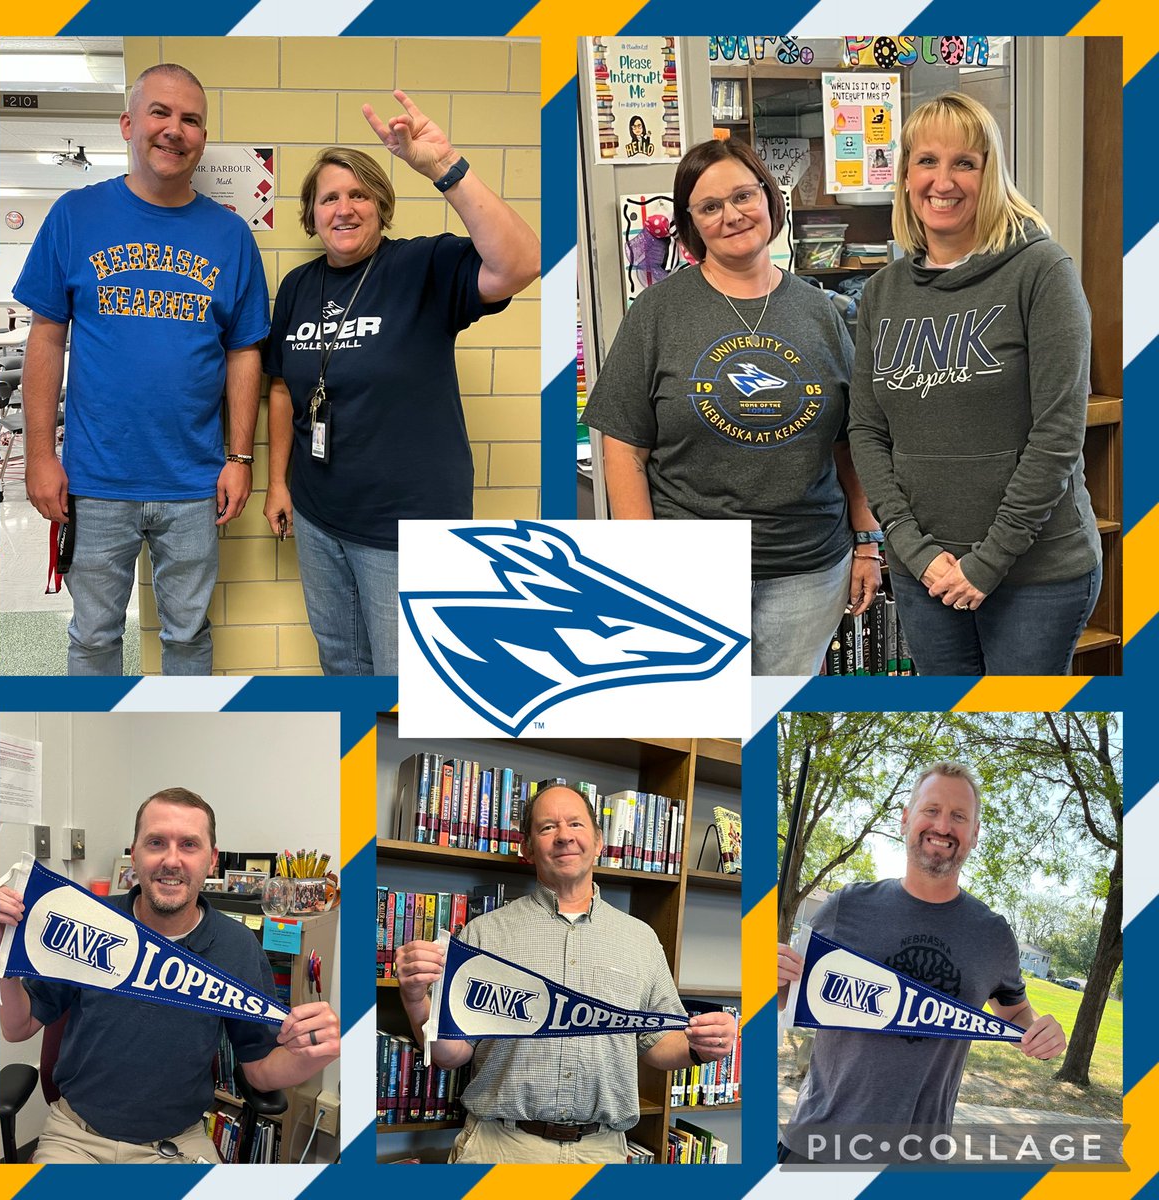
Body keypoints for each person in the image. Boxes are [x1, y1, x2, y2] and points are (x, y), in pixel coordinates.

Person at [262, 91, 541, 676]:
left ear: (381, 207)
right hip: (318, 517)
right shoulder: (296, 286)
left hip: (405, 526)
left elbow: (520, 263)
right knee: (340, 663)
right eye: (328, 197)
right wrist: (279, 485)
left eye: (359, 194)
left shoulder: (421, 267)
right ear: (311, 214)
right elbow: (283, 389)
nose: (344, 208)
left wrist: (444, 168)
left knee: (405, 676)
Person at [581, 137, 882, 675]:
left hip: (808, 567)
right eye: (710, 207)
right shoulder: (657, 312)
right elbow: (623, 448)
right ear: (691, 224)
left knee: (776, 719)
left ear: (769, 198)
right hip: (688, 569)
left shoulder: (823, 312)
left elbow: (849, 442)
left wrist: (867, 542)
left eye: (744, 196)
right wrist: (639, 564)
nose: (732, 215)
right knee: (697, 722)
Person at [14, 63, 269, 676]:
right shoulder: (75, 217)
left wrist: (239, 458)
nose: (174, 129)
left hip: (194, 485)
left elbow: (245, 353)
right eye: (160, 113)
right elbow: (46, 339)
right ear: (129, 124)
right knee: (94, 638)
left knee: (188, 636)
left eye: (190, 119)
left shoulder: (231, 237)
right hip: (95, 482)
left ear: (202, 137)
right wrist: (42, 456)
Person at [848, 92, 1102, 675]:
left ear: (992, 174)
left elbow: (1059, 434)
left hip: (1036, 574)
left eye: (966, 162)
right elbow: (866, 430)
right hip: (925, 574)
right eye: (927, 161)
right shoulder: (882, 292)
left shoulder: (1043, 272)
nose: (944, 180)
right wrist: (911, 549)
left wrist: (988, 562)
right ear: (906, 175)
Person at [0, 788, 341, 1164]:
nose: (171, 860)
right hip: (75, 1138)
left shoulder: (237, 946)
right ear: (135, 853)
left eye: (189, 845)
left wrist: (308, 1058)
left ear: (212, 860)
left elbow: (258, 1071)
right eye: (156, 842)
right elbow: (18, 1027)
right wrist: (3, 956)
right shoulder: (89, 921)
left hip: (175, 1145)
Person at [395, 785, 737, 1164]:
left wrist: (700, 1047)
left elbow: (656, 1043)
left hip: (602, 1152)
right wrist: (414, 997)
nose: (564, 836)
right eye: (547, 828)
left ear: (600, 841)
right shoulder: (483, 934)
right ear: (527, 848)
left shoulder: (641, 939)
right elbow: (450, 1055)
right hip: (501, 1149)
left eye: (576, 823)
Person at [776, 762, 1066, 1164]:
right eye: (931, 810)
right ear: (906, 819)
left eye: (959, 816)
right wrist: (772, 976)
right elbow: (785, 996)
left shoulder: (993, 934)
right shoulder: (847, 906)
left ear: (975, 834)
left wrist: (1041, 1035)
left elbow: (1015, 1013)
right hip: (818, 1145)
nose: (943, 826)